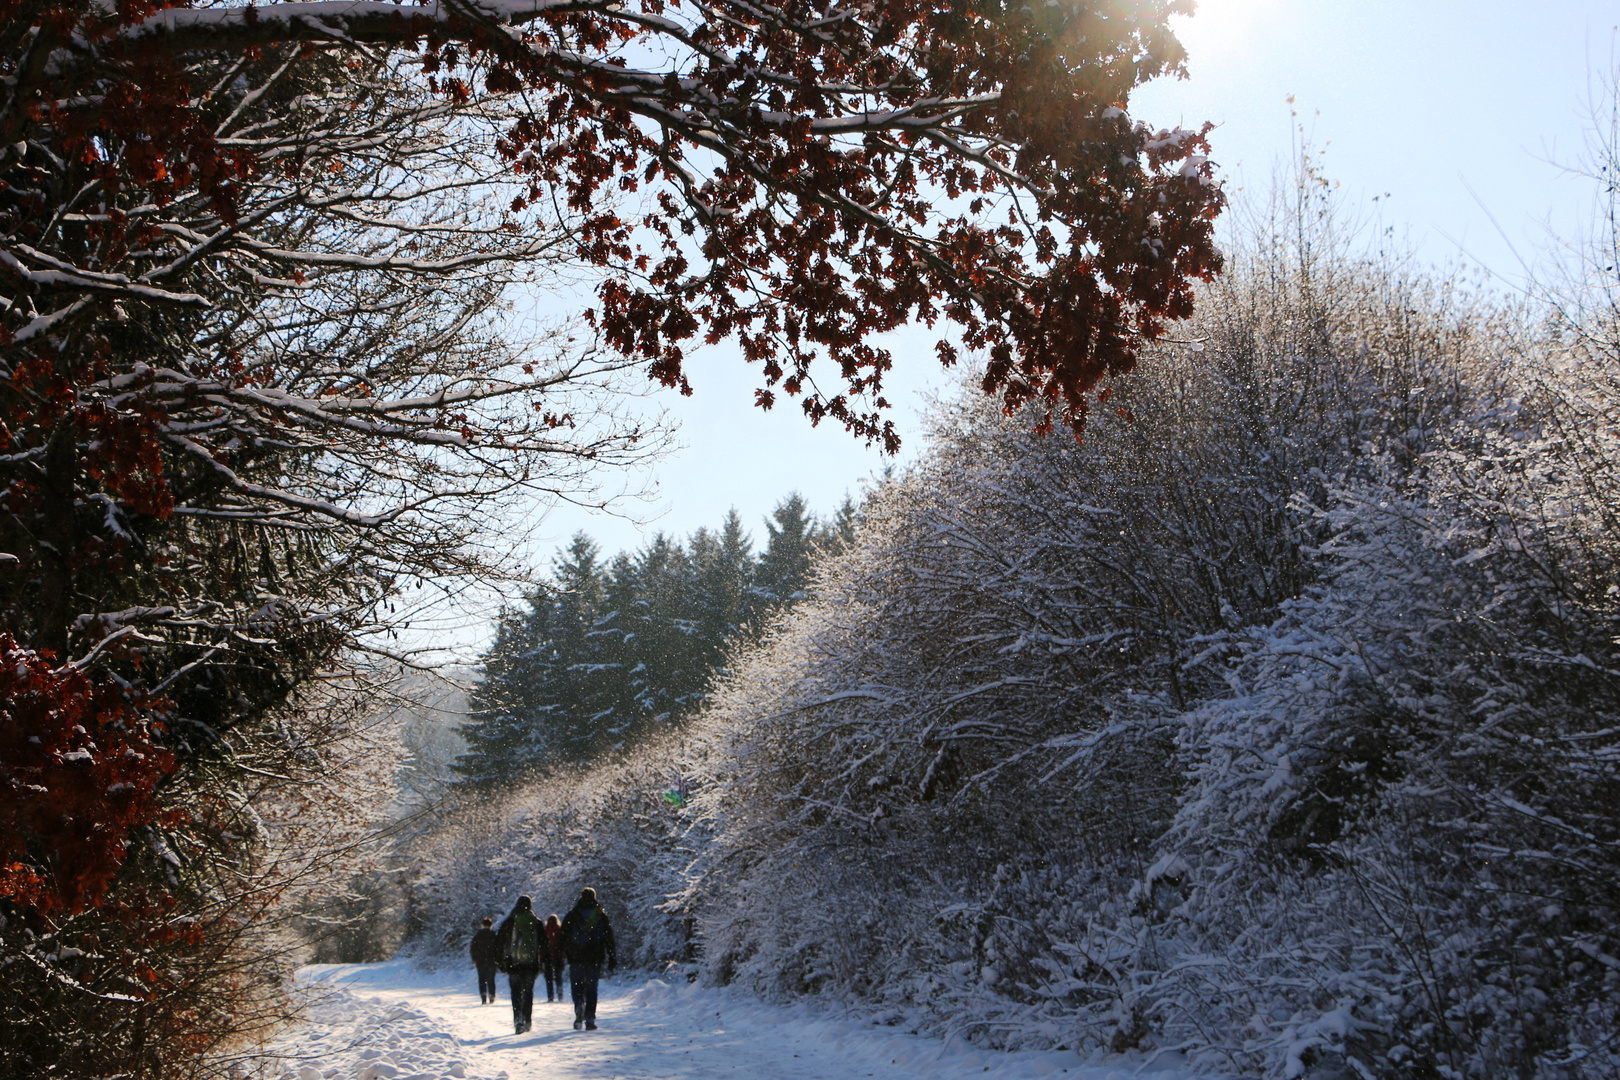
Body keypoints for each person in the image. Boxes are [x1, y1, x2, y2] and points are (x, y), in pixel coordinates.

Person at [559, 887, 617, 1030]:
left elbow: (562, 936)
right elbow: (609, 938)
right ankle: (590, 1018)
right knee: (592, 989)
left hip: (576, 957)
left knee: (577, 986)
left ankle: (579, 1007)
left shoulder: (572, 915)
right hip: (595, 957)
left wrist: (562, 954)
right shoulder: (601, 915)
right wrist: (612, 956)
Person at [495, 895, 543, 1034]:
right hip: (530, 963)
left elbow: (499, 943)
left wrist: (501, 962)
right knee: (528, 992)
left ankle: (518, 1020)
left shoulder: (509, 922)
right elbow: (544, 943)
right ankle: (527, 1020)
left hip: (513, 963)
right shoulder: (536, 922)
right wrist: (544, 961)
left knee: (516, 993)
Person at [469, 916, 499, 1004]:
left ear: (482, 925)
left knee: (482, 979)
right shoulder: (494, 935)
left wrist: (475, 959)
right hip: (492, 961)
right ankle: (492, 996)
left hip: (480, 961)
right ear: (491, 925)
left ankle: (483, 997)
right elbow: (498, 948)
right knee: (491, 979)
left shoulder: (478, 935)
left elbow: (473, 948)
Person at [541, 913, 565, 1004]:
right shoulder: (559, 930)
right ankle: (560, 995)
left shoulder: (545, 930)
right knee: (558, 977)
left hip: (547, 956)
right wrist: (563, 956)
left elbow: (542, 944)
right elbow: (563, 945)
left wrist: (541, 956)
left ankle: (550, 996)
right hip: (557, 956)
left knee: (549, 978)